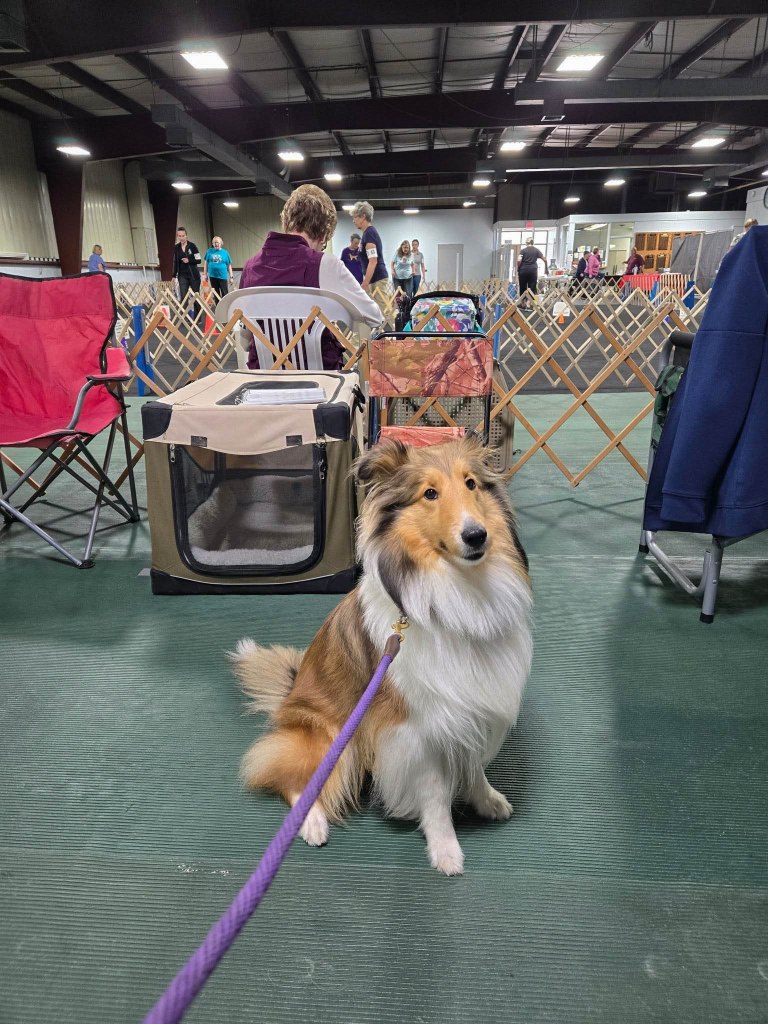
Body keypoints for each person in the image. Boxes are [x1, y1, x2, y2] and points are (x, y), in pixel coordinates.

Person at [240, 184, 382, 370]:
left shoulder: (250, 267)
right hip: (321, 380)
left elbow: (244, 341)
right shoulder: (325, 264)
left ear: (286, 222)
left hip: (264, 378)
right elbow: (374, 317)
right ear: (323, 235)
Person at [350, 200, 390, 321]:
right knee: (378, 312)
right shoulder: (366, 234)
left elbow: (373, 261)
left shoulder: (370, 234)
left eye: (355, 217)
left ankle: (395, 332)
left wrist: (365, 283)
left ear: (363, 217)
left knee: (385, 312)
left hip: (377, 278)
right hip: (374, 279)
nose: (353, 220)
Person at [173, 226, 202, 319]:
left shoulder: (192, 246)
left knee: (195, 297)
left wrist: (189, 260)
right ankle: (184, 318)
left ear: (186, 236)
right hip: (182, 275)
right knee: (183, 297)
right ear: (177, 236)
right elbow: (175, 262)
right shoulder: (176, 248)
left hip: (194, 275)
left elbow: (199, 260)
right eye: (179, 236)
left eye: (183, 236)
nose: (181, 238)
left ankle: (198, 318)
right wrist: (174, 275)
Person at [517, 237, 545, 310]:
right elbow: (544, 259)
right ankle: (529, 303)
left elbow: (519, 260)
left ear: (526, 243)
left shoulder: (523, 251)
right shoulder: (536, 250)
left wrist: (518, 268)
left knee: (522, 286)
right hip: (533, 270)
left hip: (523, 270)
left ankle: (522, 303)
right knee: (532, 286)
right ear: (532, 243)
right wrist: (546, 268)